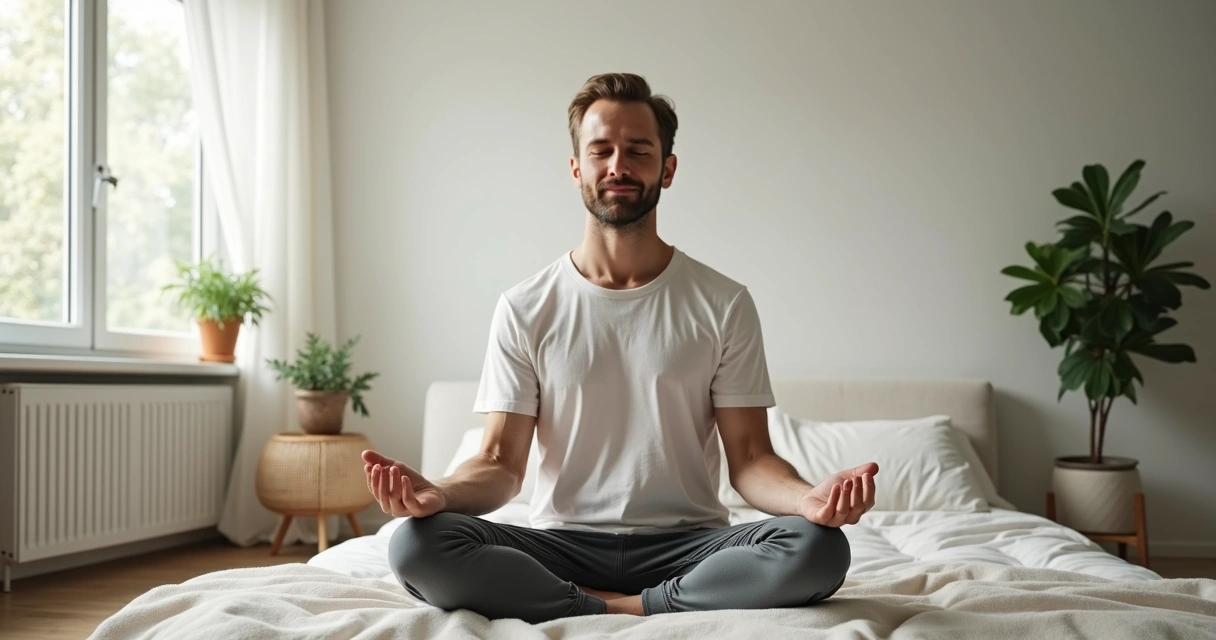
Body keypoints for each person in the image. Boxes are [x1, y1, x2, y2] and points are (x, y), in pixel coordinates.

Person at [362, 72, 879, 623]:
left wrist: (808, 500)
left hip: (691, 548)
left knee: (818, 547)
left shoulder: (723, 302)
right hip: (562, 548)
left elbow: (750, 459)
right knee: (416, 544)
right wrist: (437, 494)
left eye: (638, 150)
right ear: (576, 168)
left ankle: (626, 605)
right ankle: (601, 603)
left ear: (668, 168)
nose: (618, 166)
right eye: (601, 150)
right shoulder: (525, 306)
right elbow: (499, 463)